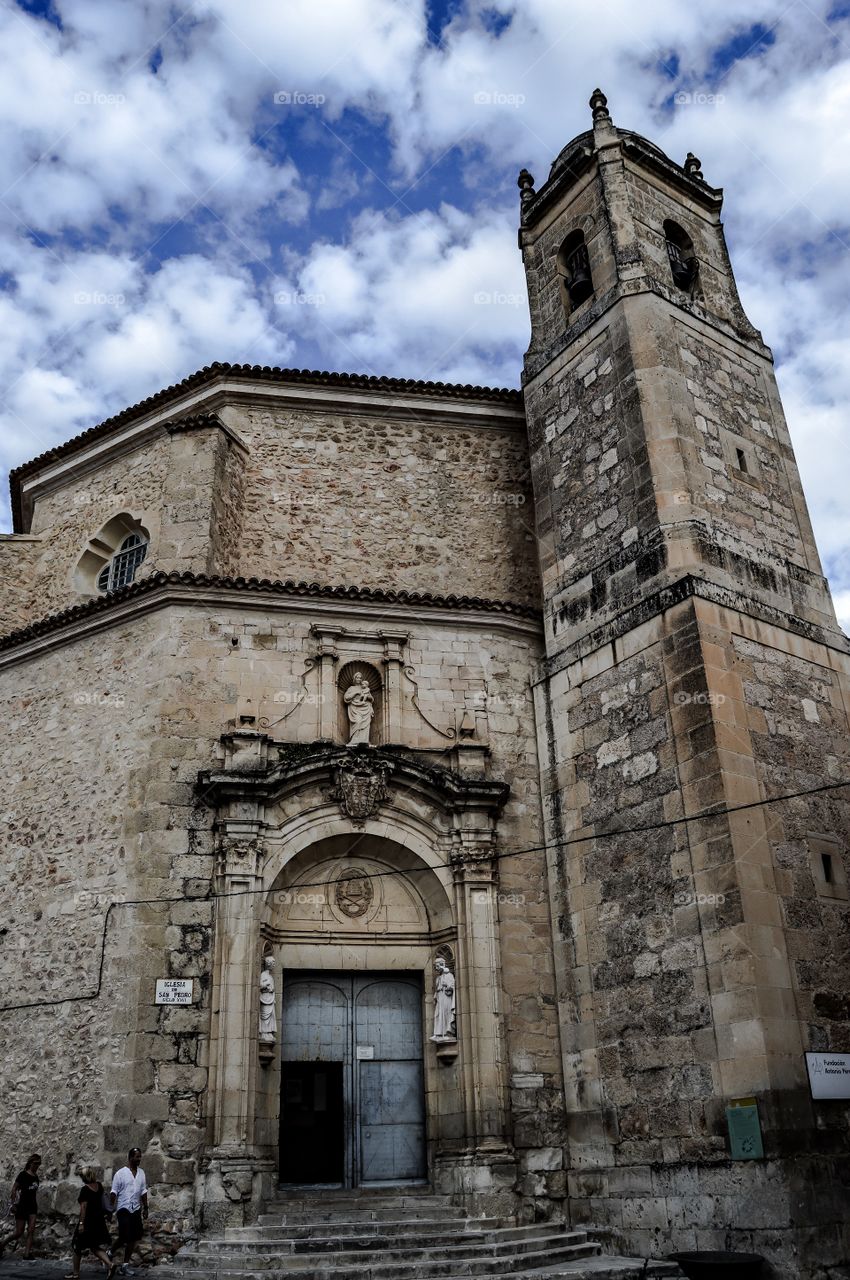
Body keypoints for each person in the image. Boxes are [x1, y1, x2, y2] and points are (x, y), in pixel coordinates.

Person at [66, 1167, 116, 1280]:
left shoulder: (85, 1189)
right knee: (94, 1246)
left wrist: (82, 1223)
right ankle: (110, 1264)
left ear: (84, 1177)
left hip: (88, 1221)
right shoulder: (99, 1186)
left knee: (76, 1246)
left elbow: (83, 1207)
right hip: (98, 1221)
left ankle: (75, 1273)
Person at [108, 1149, 148, 1276]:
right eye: (137, 1157)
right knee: (125, 1236)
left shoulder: (141, 1173)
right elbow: (113, 1192)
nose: (139, 1159)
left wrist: (146, 1208)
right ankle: (110, 1252)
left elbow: (143, 1191)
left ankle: (124, 1266)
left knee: (133, 1238)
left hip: (136, 1208)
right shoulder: (120, 1173)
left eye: (140, 1157)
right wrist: (110, 1209)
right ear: (130, 1157)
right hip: (123, 1208)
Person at [0, 1154, 41, 1258]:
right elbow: (14, 1189)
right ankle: (2, 1244)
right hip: (22, 1205)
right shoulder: (22, 1175)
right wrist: (12, 1204)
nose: (38, 1166)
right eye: (36, 1163)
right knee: (19, 1232)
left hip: (32, 1206)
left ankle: (27, 1254)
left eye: (39, 1164)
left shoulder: (36, 1177)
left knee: (31, 1230)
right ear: (31, 1163)